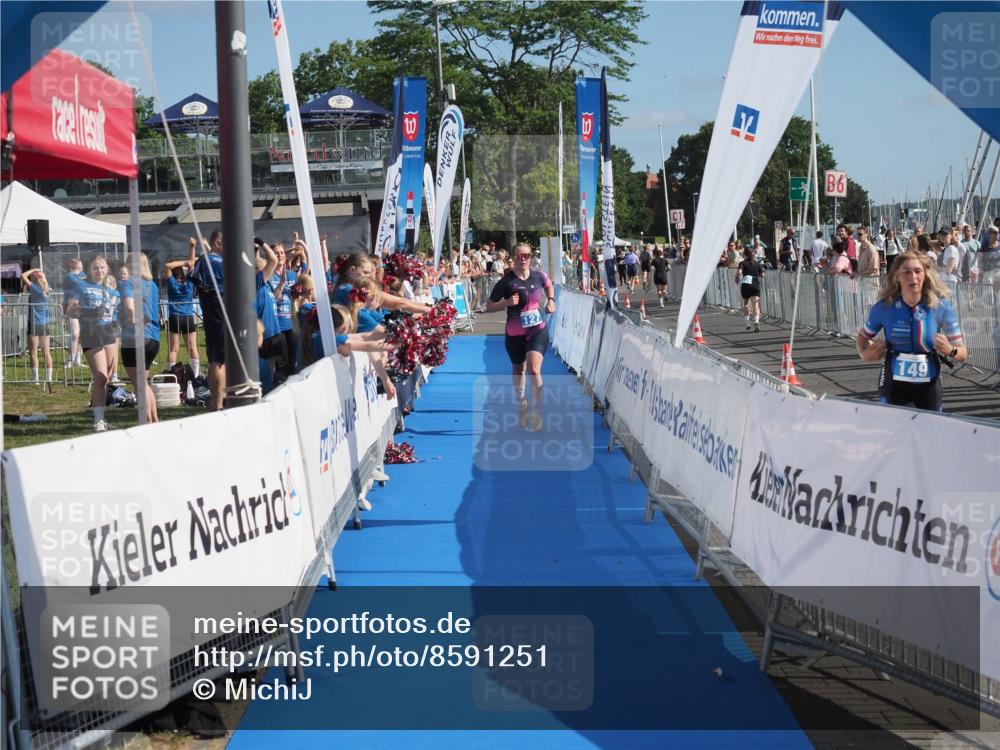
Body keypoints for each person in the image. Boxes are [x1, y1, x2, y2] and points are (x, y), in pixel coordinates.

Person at [856, 250, 966, 412]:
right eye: (906, 272)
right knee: (896, 428)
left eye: (917, 271)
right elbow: (862, 337)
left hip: (929, 381)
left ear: (925, 275)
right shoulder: (884, 307)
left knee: (930, 430)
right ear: (897, 277)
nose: (913, 277)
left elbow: (963, 352)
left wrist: (951, 350)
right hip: (894, 381)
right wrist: (865, 355)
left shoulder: (941, 306)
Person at [485, 243, 555, 431]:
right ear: (513, 258)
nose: (523, 259)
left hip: (537, 329)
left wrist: (551, 301)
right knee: (520, 370)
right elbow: (489, 307)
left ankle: (537, 413)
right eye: (519, 255)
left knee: (534, 370)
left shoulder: (539, 276)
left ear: (531, 257)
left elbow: (549, 286)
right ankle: (521, 402)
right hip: (515, 332)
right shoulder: (506, 282)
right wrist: (506, 303)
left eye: (526, 255)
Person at [64, 256, 120, 432]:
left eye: (103, 267)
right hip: (91, 333)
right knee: (101, 377)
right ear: (89, 269)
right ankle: (98, 420)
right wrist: (89, 312)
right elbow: (70, 310)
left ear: (107, 268)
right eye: (96, 268)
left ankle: (100, 415)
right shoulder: (80, 285)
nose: (100, 271)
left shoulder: (109, 289)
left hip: (108, 332)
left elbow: (113, 311)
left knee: (108, 377)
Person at [119, 253, 161, 424]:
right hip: (153, 339)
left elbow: (129, 306)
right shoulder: (153, 285)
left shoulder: (127, 283)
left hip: (134, 337)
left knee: (139, 385)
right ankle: (154, 420)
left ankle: (146, 421)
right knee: (143, 383)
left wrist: (132, 317)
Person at [189, 229, 226, 410]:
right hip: (219, 315)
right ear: (218, 243)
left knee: (214, 360)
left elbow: (195, 278)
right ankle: (218, 403)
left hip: (213, 316)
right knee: (220, 360)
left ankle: (215, 401)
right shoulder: (213, 260)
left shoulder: (207, 260)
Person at [162, 238, 199, 376]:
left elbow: (167, 266)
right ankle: (195, 375)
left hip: (175, 316)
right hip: (188, 317)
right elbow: (192, 264)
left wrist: (184, 261)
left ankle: (171, 376)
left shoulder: (172, 282)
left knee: (173, 349)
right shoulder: (189, 282)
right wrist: (192, 247)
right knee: (193, 348)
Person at [22, 269, 53, 384]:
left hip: (34, 323)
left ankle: (35, 379)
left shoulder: (35, 290)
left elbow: (23, 275)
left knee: (33, 352)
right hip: (44, 324)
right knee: (46, 352)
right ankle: (49, 378)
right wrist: (42, 275)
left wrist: (34, 270)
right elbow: (44, 282)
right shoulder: (47, 290)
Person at [62, 257, 86, 368]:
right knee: (75, 334)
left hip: (83, 307)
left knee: (80, 335)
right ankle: (70, 360)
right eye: (80, 264)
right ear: (74, 265)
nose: (82, 266)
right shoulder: (69, 276)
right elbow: (81, 284)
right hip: (72, 307)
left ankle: (78, 360)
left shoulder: (82, 275)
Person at [736, 248, 764, 332]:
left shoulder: (742, 263)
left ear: (744, 254)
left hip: (746, 285)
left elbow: (739, 272)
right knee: (755, 304)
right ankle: (756, 320)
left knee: (746, 304)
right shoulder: (757, 264)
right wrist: (755, 274)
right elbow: (763, 275)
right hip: (755, 284)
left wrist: (736, 277)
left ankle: (747, 322)